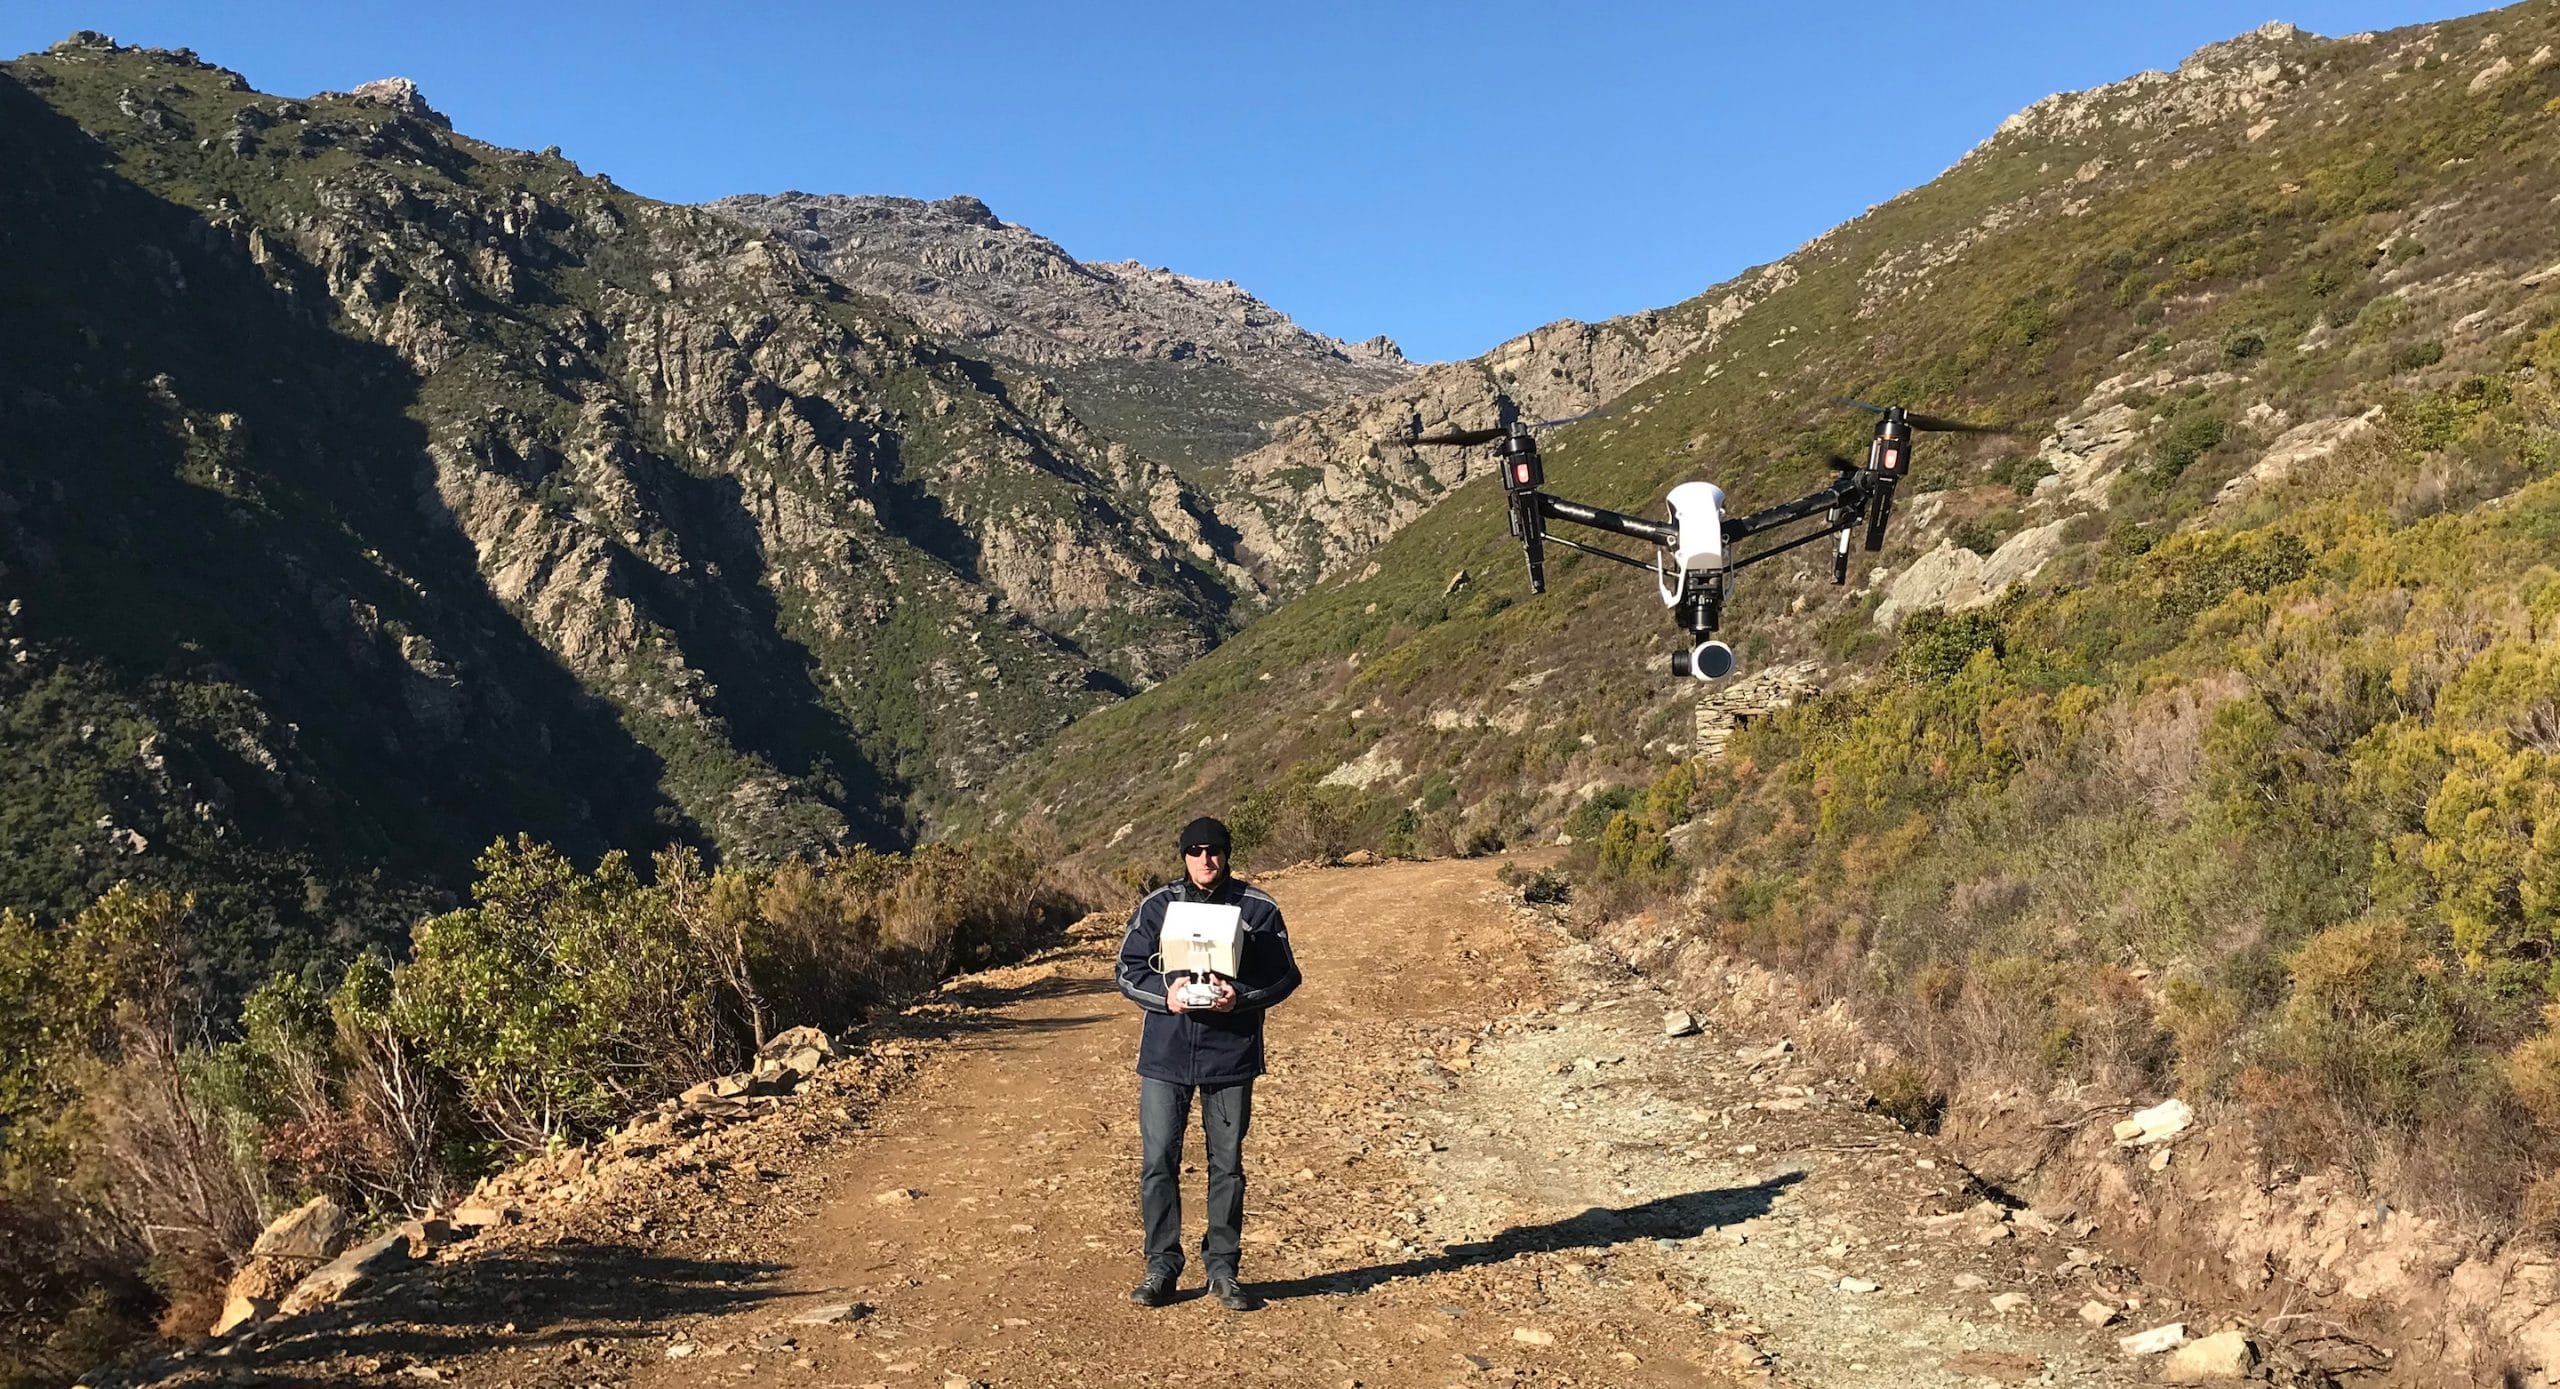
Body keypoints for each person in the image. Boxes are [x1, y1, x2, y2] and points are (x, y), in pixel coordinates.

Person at [1114, 816, 1301, 1311]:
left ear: (1227, 853)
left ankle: (1223, 1270)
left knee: (1228, 1167)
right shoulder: (1157, 906)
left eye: (1214, 849)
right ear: (1183, 855)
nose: (1205, 859)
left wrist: (1237, 997)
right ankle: (1161, 1265)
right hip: (1165, 1055)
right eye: (1195, 850)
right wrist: (1165, 994)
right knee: (1158, 1162)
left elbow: (1285, 977)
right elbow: (1127, 970)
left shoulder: (1258, 908)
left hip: (1230, 1057)